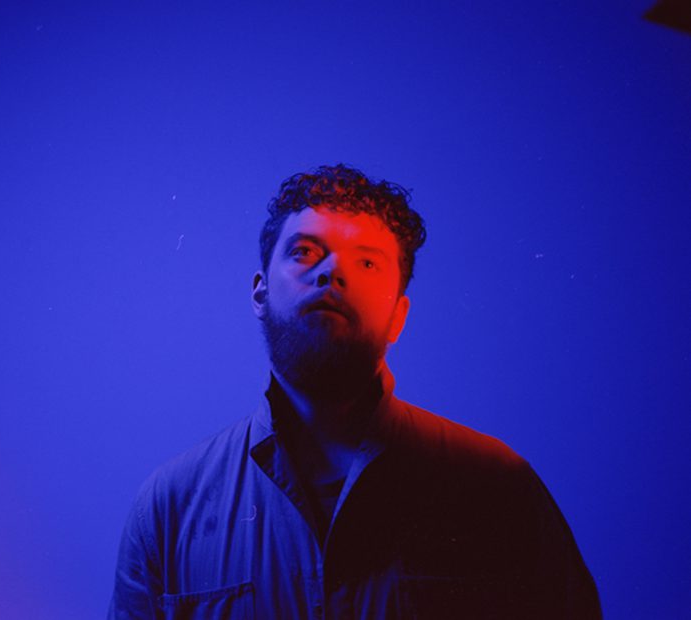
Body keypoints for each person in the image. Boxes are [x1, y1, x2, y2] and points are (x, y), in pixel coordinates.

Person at [108, 164, 601, 619]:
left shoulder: (499, 489)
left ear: (398, 316)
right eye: (305, 251)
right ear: (260, 291)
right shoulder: (169, 507)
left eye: (366, 263)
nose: (331, 273)